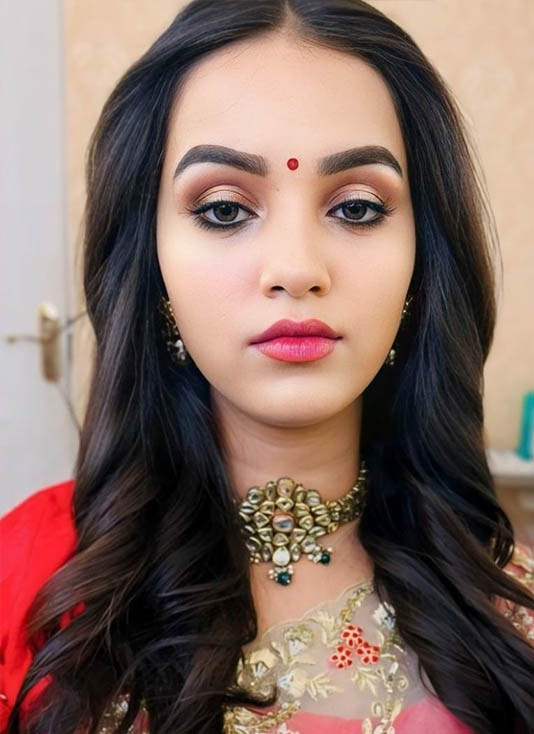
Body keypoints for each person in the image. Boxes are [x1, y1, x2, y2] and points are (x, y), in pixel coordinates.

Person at [1, 1, 533, 733]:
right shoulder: (32, 576)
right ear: (151, 264)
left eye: (356, 208)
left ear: (424, 259)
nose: (296, 268)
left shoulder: (510, 613)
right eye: (224, 209)